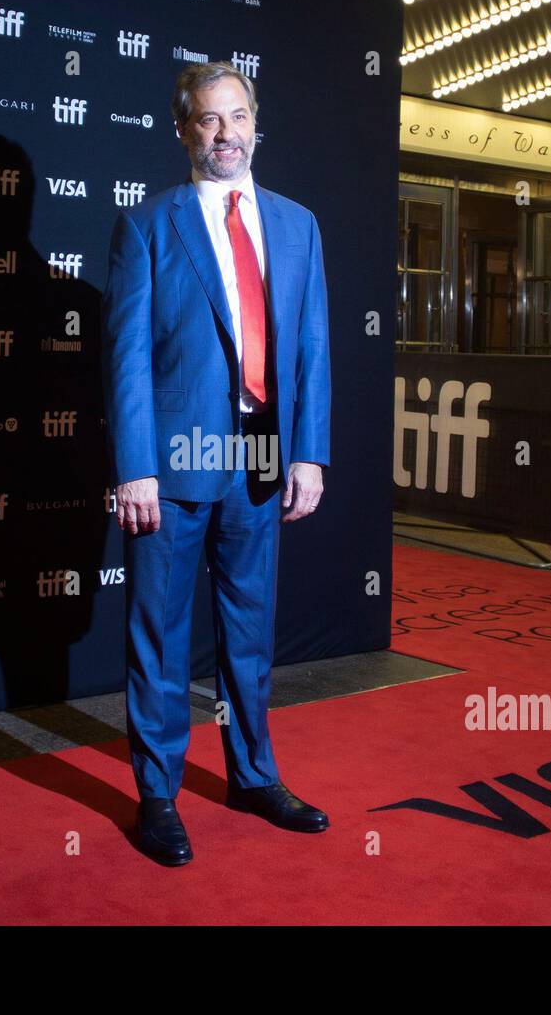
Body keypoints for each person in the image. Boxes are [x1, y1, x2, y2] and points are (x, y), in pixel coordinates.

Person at [100, 61, 331, 866]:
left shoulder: (298, 225)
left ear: (256, 122)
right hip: (171, 465)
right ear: (182, 129)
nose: (225, 133)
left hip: (262, 461)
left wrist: (310, 452)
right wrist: (134, 467)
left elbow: (310, 349)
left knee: (250, 635)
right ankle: (158, 796)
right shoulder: (148, 226)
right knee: (160, 639)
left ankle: (253, 775)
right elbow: (125, 358)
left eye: (237, 117)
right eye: (208, 120)